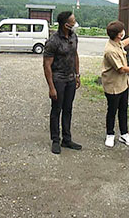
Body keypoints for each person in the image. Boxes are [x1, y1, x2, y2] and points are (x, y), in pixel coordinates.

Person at [43, 11, 82, 154]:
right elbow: (47, 65)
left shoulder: (73, 36)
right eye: (73, 21)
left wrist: (77, 75)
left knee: (68, 109)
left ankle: (67, 139)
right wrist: (51, 87)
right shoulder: (53, 41)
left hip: (71, 79)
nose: (75, 23)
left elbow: (75, 55)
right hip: (58, 79)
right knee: (56, 109)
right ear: (66, 24)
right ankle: (55, 140)